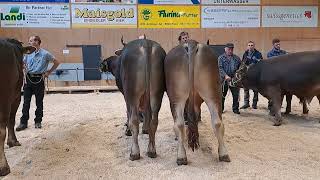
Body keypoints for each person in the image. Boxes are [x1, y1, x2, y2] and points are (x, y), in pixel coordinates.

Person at [16, 36, 60, 131]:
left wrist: (48, 72)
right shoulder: (27, 54)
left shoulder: (45, 54)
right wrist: (23, 66)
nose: (30, 43)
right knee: (26, 102)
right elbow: (23, 63)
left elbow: (57, 62)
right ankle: (23, 123)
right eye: (29, 41)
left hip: (39, 79)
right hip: (28, 80)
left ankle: (38, 121)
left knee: (39, 102)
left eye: (31, 41)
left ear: (37, 42)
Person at [218, 43, 241, 114]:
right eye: (229, 49)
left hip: (234, 79)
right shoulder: (221, 58)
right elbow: (220, 68)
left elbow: (240, 68)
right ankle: (221, 109)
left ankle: (235, 109)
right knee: (222, 95)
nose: (230, 51)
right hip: (224, 80)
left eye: (231, 49)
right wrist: (225, 76)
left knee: (236, 95)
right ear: (225, 49)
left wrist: (237, 76)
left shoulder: (237, 58)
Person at [266, 38, 287, 113]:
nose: (278, 45)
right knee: (272, 92)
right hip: (273, 75)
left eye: (279, 44)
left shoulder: (284, 52)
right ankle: (271, 107)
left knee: (282, 92)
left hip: (282, 75)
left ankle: (278, 106)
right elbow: (271, 64)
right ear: (273, 45)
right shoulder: (270, 53)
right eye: (276, 44)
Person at [240, 41, 263, 109]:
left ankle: (254, 104)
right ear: (247, 46)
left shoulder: (258, 53)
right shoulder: (245, 53)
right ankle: (246, 103)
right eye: (249, 45)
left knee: (255, 90)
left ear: (254, 46)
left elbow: (261, 63)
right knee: (246, 89)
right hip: (247, 74)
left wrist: (255, 62)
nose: (250, 46)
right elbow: (243, 63)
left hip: (255, 74)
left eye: (252, 45)